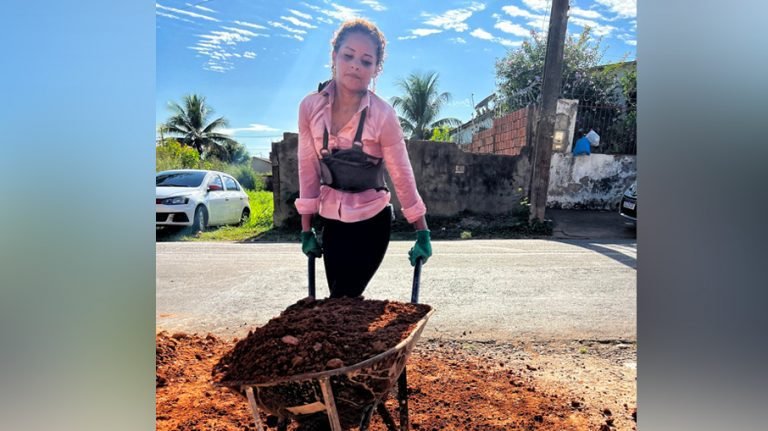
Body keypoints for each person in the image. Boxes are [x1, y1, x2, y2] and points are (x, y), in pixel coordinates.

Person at [294, 18, 432, 300]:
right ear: (334, 56)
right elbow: (307, 169)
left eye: (366, 61)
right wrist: (306, 229)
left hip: (372, 221)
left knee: (343, 298)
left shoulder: (383, 115)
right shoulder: (310, 108)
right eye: (348, 56)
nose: (356, 65)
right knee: (341, 301)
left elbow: (401, 174)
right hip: (332, 220)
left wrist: (422, 231)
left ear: (376, 69)